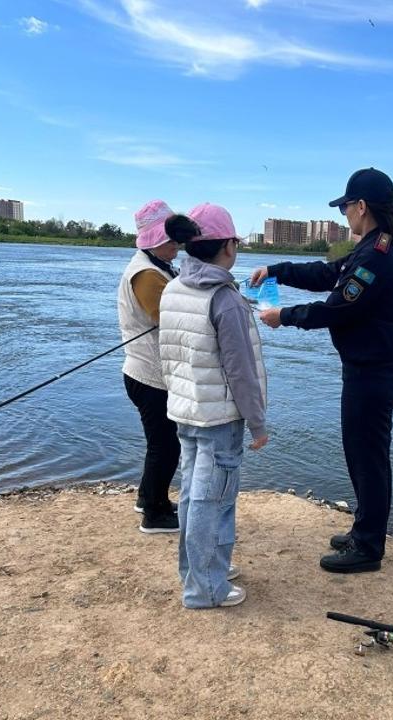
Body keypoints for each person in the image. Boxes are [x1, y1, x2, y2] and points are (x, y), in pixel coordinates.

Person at [251, 168, 393, 573]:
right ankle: (363, 531)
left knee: (368, 458)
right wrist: (277, 270)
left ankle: (368, 548)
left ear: (361, 207)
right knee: (360, 456)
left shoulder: (377, 256)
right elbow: (327, 274)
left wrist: (283, 316)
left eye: (345, 207)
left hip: (372, 373)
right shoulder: (373, 247)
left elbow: (339, 307)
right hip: (368, 368)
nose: (343, 215)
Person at [160, 203, 268, 608]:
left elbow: (166, 355)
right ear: (227, 247)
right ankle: (206, 588)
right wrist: (258, 424)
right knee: (214, 500)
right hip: (219, 418)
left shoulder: (173, 288)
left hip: (186, 411)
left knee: (193, 496)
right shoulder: (224, 300)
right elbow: (242, 373)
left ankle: (202, 570)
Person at [117, 199, 186, 534]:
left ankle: (148, 498)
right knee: (166, 445)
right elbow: (174, 319)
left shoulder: (156, 266)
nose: (177, 244)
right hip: (149, 377)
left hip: (148, 375)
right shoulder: (145, 274)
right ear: (155, 240)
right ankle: (155, 514)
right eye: (172, 239)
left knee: (160, 443)